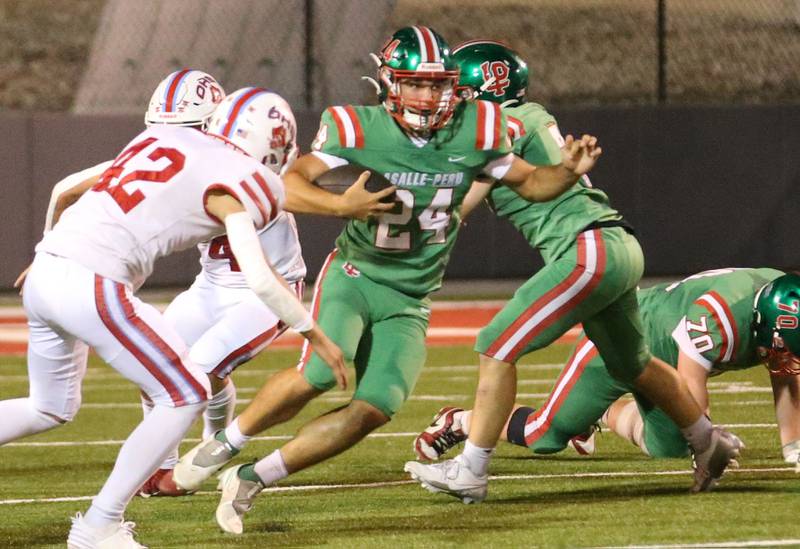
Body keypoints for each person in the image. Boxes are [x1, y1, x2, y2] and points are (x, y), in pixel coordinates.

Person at [171, 25, 600, 535]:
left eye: (436, 84)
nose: (425, 95)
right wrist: (339, 205)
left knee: (376, 408)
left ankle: (251, 477)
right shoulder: (359, 128)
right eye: (413, 83)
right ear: (389, 83)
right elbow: (286, 184)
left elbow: (532, 183)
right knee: (321, 374)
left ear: (452, 86)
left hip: (413, 294)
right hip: (357, 274)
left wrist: (567, 172)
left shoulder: (479, 127)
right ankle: (228, 441)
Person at [0, 79, 345, 548]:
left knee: (49, 405)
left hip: (46, 272)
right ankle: (98, 527)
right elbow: (264, 277)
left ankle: (140, 492)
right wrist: (317, 336)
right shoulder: (233, 174)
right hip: (93, 282)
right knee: (185, 392)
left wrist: (47, 250)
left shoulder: (155, 139)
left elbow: (65, 190)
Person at [403, 41, 741, 503]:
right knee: (632, 363)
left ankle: (471, 469)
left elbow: (461, 201)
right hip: (617, 245)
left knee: (496, 346)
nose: (447, 99)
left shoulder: (496, 125)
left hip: (585, 250)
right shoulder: (527, 117)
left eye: (455, 89)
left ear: (479, 89)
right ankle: (706, 440)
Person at [413, 268, 800, 472]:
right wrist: (706, 450)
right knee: (544, 435)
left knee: (668, 449)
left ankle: (603, 411)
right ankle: (460, 420)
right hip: (624, 343)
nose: (786, 357)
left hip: (667, 363)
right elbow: (687, 387)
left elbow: (787, 375)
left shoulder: (781, 306)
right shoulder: (718, 316)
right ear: (759, 323)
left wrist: (794, 451)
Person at [137, 83, 308, 497]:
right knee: (152, 366)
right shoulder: (195, 160)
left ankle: (209, 448)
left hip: (268, 293)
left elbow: (296, 193)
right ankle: (165, 462)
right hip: (211, 282)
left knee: (200, 371)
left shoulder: (262, 176)